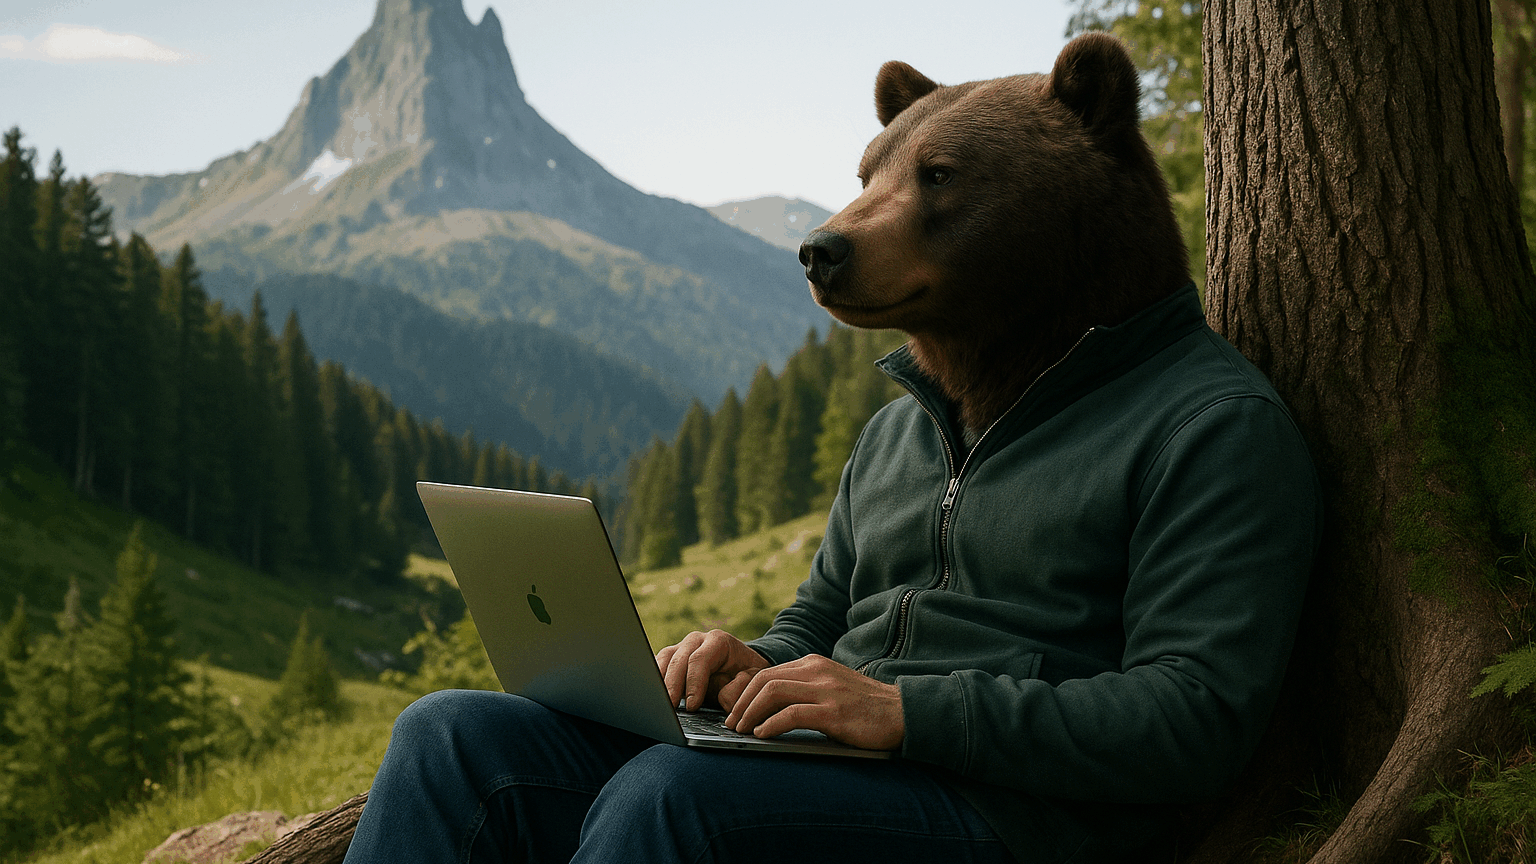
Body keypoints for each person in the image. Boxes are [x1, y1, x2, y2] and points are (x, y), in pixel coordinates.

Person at [340, 281, 1321, 864]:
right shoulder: (905, 424)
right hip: (839, 765)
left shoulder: (1209, 425)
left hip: (1019, 816)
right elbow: (819, 613)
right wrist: (750, 662)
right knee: (450, 738)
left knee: (668, 797)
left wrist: (902, 714)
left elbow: (1196, 720)